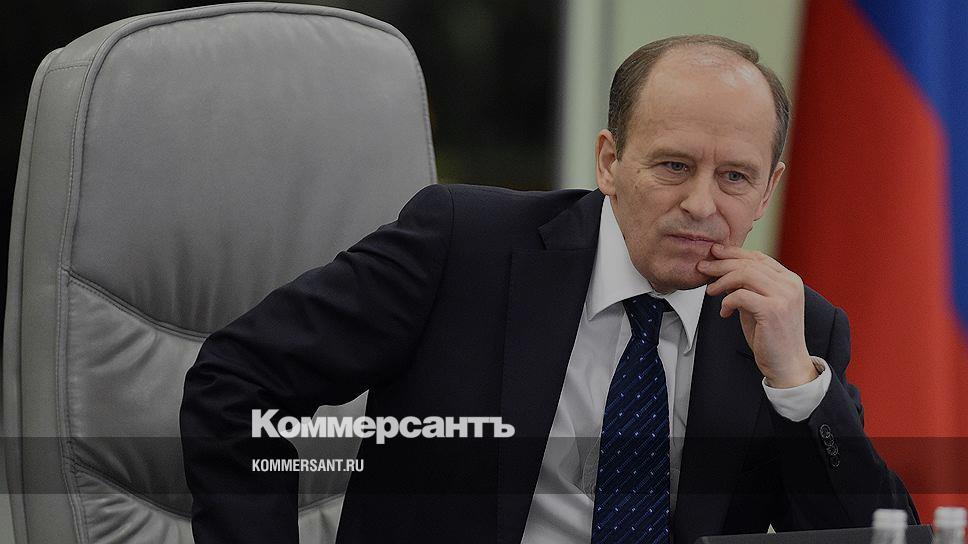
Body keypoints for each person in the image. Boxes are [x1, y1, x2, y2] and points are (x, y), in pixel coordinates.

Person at [180, 35, 916, 544]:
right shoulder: (461, 248)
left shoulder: (794, 333)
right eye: (672, 166)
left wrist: (797, 387)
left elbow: (877, 535)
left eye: (734, 177)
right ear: (609, 162)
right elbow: (238, 381)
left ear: (768, 190)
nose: (701, 205)